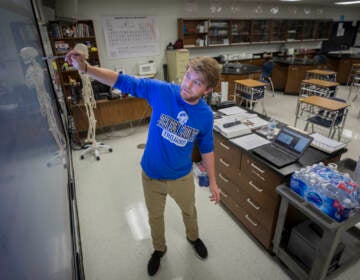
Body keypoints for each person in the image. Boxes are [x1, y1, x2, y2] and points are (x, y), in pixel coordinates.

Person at [65, 50, 221, 276]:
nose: (187, 85)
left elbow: (207, 148)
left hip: (182, 177)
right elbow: (123, 81)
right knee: (154, 216)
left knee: (189, 211)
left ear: (207, 90)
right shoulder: (162, 92)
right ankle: (159, 250)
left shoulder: (205, 116)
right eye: (188, 76)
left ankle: (193, 237)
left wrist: (213, 182)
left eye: (197, 83)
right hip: (152, 175)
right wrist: (87, 69)